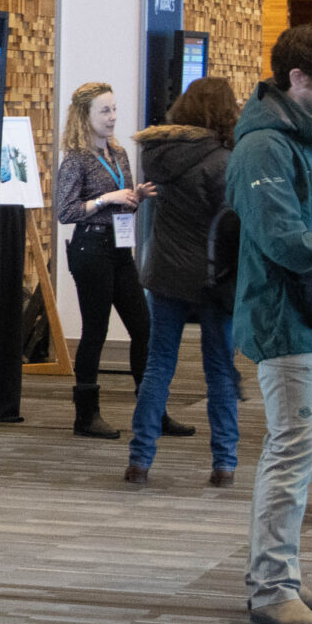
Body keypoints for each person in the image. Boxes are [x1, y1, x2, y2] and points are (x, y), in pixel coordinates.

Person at [227, 24, 312, 624]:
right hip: (286, 320)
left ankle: (284, 576)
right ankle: (272, 589)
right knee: (290, 454)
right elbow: (282, 239)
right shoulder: (265, 147)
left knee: (298, 457)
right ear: (298, 79)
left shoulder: (307, 139)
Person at [127, 76, 240, 485]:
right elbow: (233, 222)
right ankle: (224, 463)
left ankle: (139, 460)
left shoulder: (158, 154)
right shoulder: (224, 162)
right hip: (213, 277)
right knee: (220, 370)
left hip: (165, 273)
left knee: (158, 365)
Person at [53, 81, 152, 441]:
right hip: (91, 249)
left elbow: (122, 205)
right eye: (105, 111)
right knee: (96, 331)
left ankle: (151, 409)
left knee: (143, 327)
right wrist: (107, 198)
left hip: (120, 248)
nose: (112, 118)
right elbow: (65, 212)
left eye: (114, 109)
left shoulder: (118, 153)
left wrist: (133, 198)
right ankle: (86, 415)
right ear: (85, 115)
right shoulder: (75, 160)